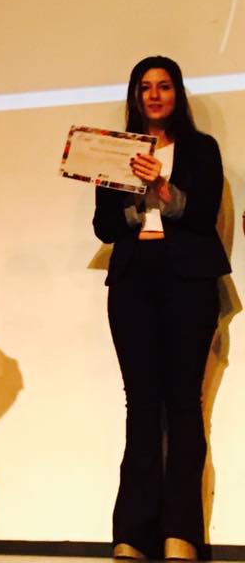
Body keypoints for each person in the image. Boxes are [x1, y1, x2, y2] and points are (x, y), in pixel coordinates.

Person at [93, 56, 229, 562]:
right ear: (135, 95)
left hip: (188, 281)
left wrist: (164, 190)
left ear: (178, 94)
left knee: (185, 405)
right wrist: (136, 195)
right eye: (145, 87)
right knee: (142, 406)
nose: (154, 95)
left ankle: (181, 534)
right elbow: (105, 226)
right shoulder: (115, 150)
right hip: (134, 281)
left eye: (164, 86)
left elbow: (204, 213)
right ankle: (132, 534)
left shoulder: (201, 148)